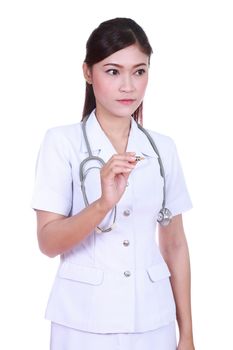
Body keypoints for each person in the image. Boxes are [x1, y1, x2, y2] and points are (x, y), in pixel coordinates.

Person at [32, 17, 195, 350]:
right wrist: (103, 204)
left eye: (139, 71)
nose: (128, 86)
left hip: (153, 321)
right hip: (83, 322)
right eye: (112, 71)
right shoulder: (61, 143)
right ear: (87, 73)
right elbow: (48, 243)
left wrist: (187, 334)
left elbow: (175, 246)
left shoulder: (162, 149)